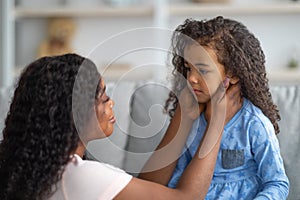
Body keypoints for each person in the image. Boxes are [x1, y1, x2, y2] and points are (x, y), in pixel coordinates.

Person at [0, 53, 241, 200]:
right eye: (103, 96)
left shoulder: (41, 172)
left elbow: (147, 191)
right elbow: (186, 198)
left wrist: (183, 117)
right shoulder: (80, 176)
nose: (111, 102)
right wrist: (217, 121)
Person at [139, 16, 289, 199]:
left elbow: (277, 183)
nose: (191, 78)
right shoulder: (191, 117)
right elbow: (177, 174)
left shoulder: (253, 123)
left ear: (233, 74)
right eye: (188, 68)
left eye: (203, 70)